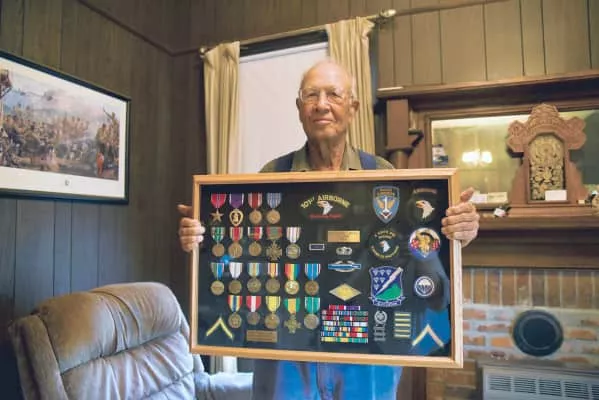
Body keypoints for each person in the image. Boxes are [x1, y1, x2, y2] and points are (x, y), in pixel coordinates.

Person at [177, 59, 480, 400]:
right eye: (311, 95)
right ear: (299, 108)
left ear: (352, 108)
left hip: (366, 348)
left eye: (334, 94)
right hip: (288, 348)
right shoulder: (271, 175)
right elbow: (246, 254)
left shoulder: (383, 173)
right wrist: (206, 237)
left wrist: (455, 231)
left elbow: (413, 250)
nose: (321, 104)